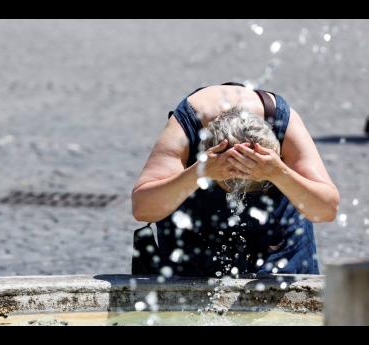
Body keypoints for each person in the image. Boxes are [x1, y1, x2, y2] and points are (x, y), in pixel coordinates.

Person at [131, 82, 340, 276]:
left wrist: (279, 173)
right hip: (196, 241)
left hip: (279, 243)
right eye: (226, 183)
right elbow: (142, 209)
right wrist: (199, 172)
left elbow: (327, 209)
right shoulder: (186, 126)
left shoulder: (285, 125)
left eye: (258, 185)